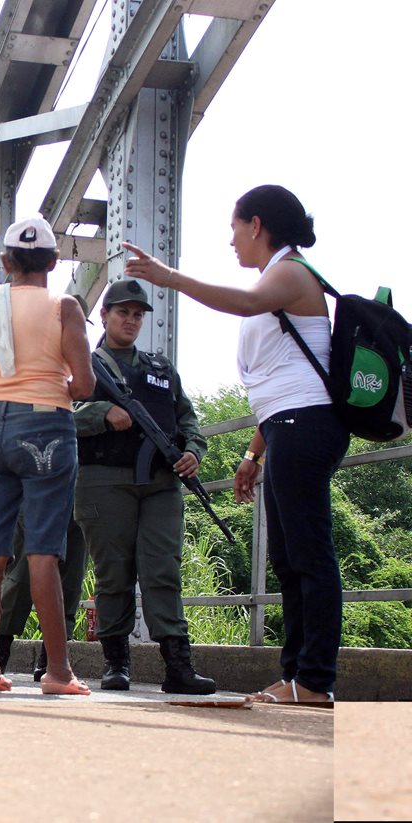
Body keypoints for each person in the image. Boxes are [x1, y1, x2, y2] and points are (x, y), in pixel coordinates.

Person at [124, 184, 346, 703]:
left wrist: (169, 277)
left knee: (310, 555)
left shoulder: (290, 272)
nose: (231, 241)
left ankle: (314, 680)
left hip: (306, 424)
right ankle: (297, 677)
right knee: (291, 559)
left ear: (257, 225)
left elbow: (246, 306)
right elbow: (280, 382)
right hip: (287, 424)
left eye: (234, 228)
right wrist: (252, 454)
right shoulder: (281, 274)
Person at [0, 213, 95, 694]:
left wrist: (2, 386)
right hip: (46, 426)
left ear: (5, 261)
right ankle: (58, 672)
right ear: (53, 262)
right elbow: (87, 382)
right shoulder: (65, 306)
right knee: (42, 551)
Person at [72, 279, 215, 694]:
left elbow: (187, 419)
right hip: (103, 481)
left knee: (162, 570)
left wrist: (193, 451)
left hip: (160, 483)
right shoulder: (84, 365)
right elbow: (59, 412)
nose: (131, 321)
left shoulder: (161, 369)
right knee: (113, 573)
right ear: (105, 316)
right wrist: (101, 412)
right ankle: (116, 663)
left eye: (138, 315)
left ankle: (178, 665)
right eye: (123, 313)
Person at [0, 517, 88, 679]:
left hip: (79, 495)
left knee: (72, 573)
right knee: (23, 571)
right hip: (37, 494)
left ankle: (52, 656)